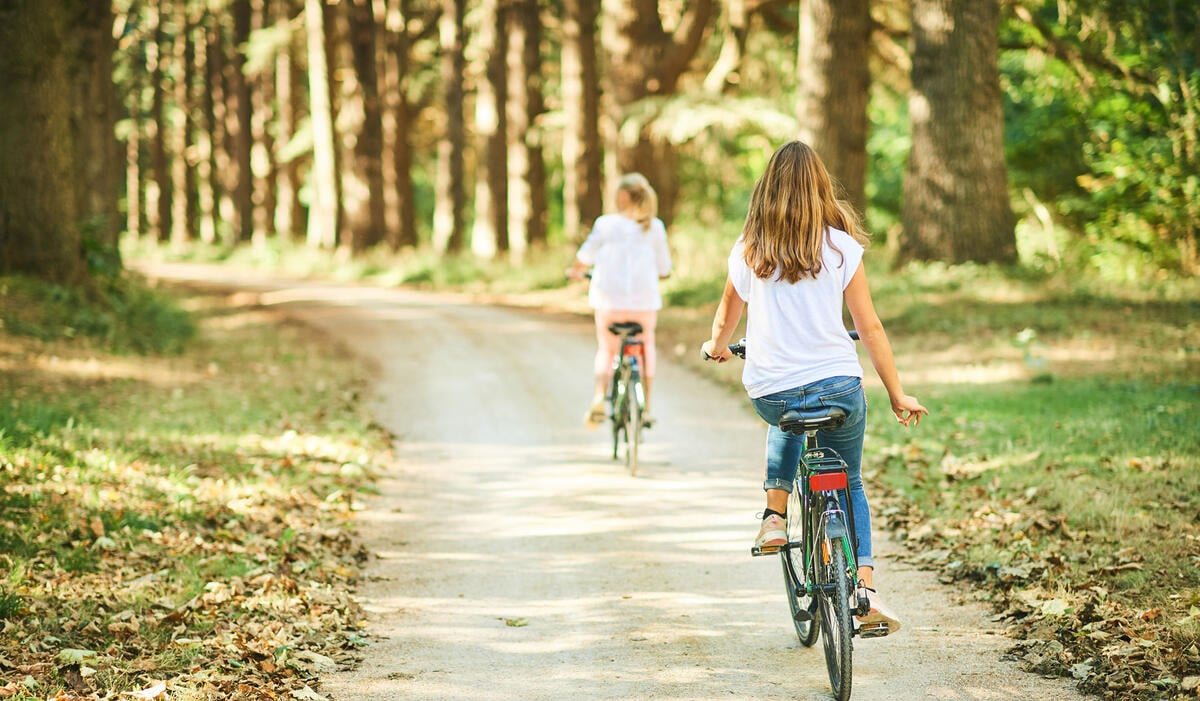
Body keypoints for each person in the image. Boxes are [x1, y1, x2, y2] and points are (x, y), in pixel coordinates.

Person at [700, 140, 927, 635]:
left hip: (772, 390)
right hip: (840, 386)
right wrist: (896, 392)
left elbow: (725, 319)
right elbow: (870, 327)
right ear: (819, 189)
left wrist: (718, 346)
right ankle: (863, 588)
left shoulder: (748, 250)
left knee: (787, 413)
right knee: (850, 480)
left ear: (766, 191)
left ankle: (774, 516)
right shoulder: (843, 247)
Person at [568, 173, 672, 429]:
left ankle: (599, 397)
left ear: (622, 197)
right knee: (646, 346)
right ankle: (646, 407)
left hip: (609, 305)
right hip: (644, 308)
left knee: (607, 349)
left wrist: (575, 273)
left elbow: (584, 257)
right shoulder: (654, 227)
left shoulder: (605, 225)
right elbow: (665, 268)